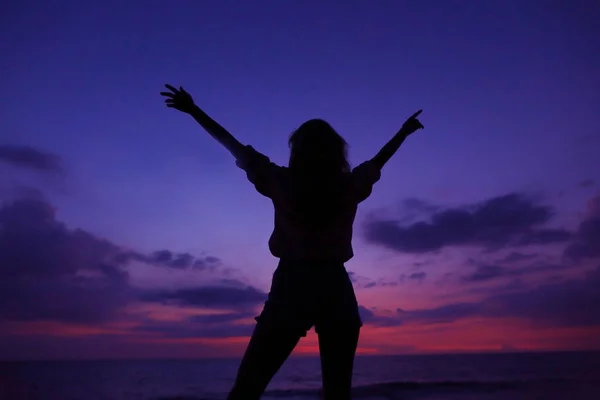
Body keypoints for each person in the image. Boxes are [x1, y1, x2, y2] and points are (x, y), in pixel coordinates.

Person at [160, 84, 424, 400]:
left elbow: (234, 146)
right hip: (333, 285)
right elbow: (378, 161)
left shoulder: (283, 182)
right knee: (336, 393)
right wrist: (403, 133)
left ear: (296, 151)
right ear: (337, 152)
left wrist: (194, 111)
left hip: (293, 284)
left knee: (248, 388)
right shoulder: (347, 185)